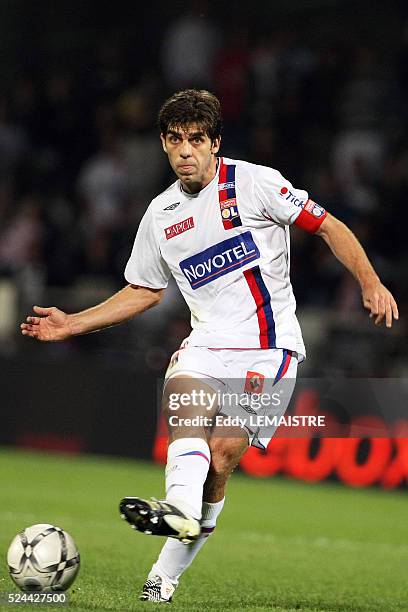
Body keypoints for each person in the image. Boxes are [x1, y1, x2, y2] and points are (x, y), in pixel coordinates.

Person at [21, 89, 399, 604]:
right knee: (187, 409)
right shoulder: (160, 214)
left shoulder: (256, 183)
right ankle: (177, 510)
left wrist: (370, 282)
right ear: (162, 143)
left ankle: (165, 572)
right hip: (205, 346)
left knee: (220, 460)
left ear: (215, 143)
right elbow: (145, 290)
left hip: (271, 348)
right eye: (175, 140)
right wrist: (71, 325)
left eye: (196, 140)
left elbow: (327, 224)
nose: (185, 151)